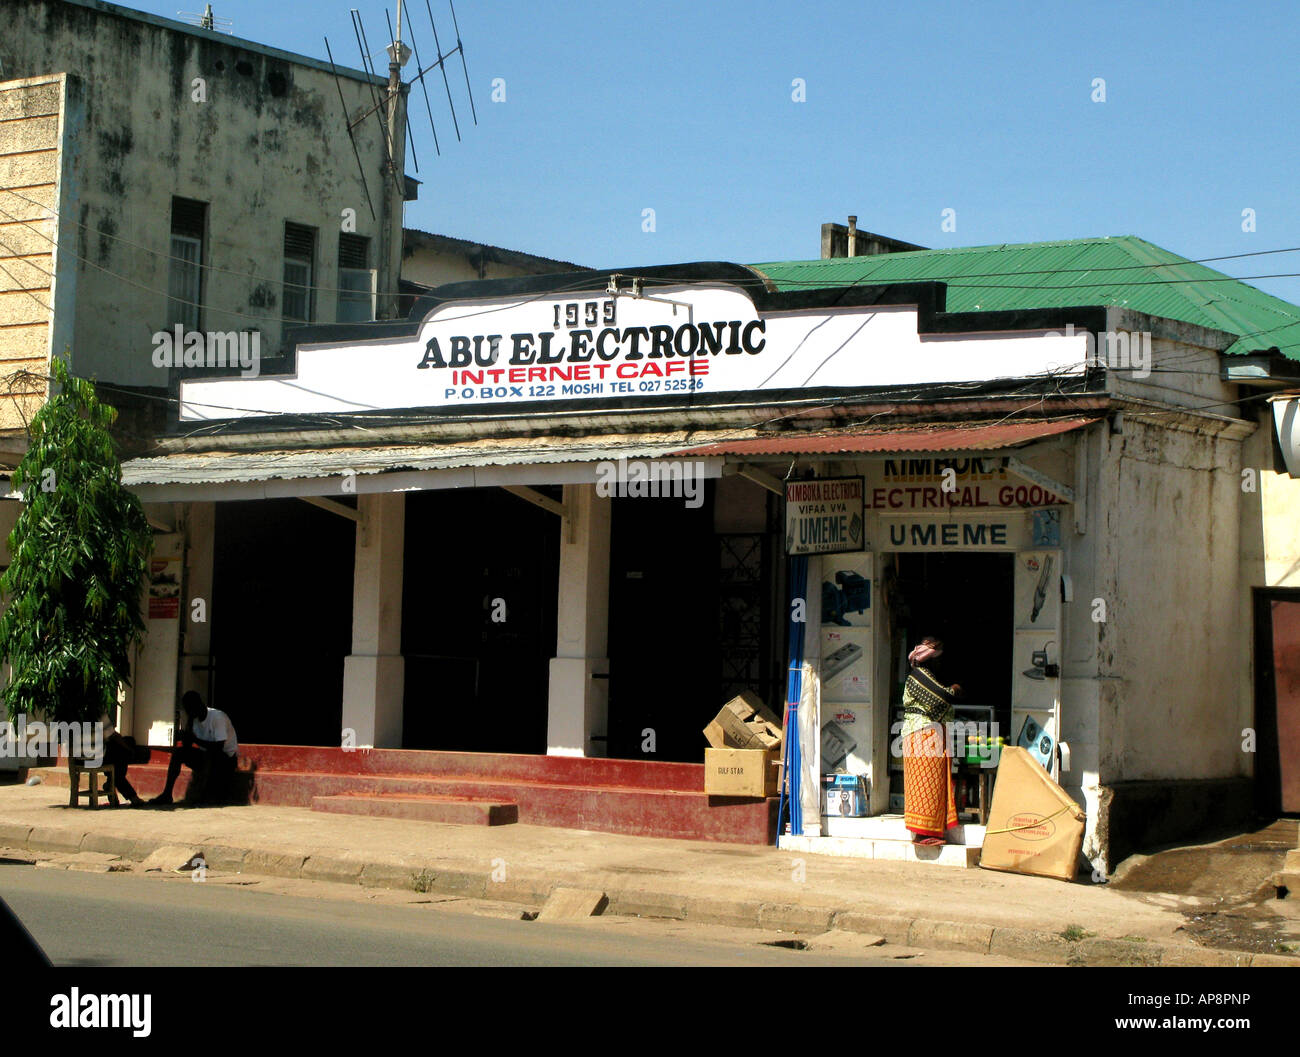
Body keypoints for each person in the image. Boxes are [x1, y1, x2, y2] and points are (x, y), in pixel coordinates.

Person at [900, 636, 962, 846]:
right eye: (938, 658)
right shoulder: (919, 675)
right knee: (925, 784)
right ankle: (924, 833)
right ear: (931, 659)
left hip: (926, 734)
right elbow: (942, 698)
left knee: (932, 785)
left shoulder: (924, 676)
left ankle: (931, 831)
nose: (940, 663)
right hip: (922, 734)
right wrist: (954, 688)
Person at [149, 692, 238, 806]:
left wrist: (195, 740)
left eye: (190, 709)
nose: (188, 712)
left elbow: (218, 747)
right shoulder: (194, 719)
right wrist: (188, 729)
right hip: (207, 757)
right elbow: (187, 746)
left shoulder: (217, 717)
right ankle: (167, 794)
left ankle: (202, 796)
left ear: (199, 705)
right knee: (179, 753)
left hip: (226, 760)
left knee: (209, 755)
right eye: (187, 710)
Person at [98, 711, 146, 808]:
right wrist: (129, 749)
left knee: (120, 749)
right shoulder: (98, 712)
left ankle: (112, 783)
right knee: (123, 749)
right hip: (98, 757)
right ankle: (114, 784)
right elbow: (113, 735)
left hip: (80, 757)